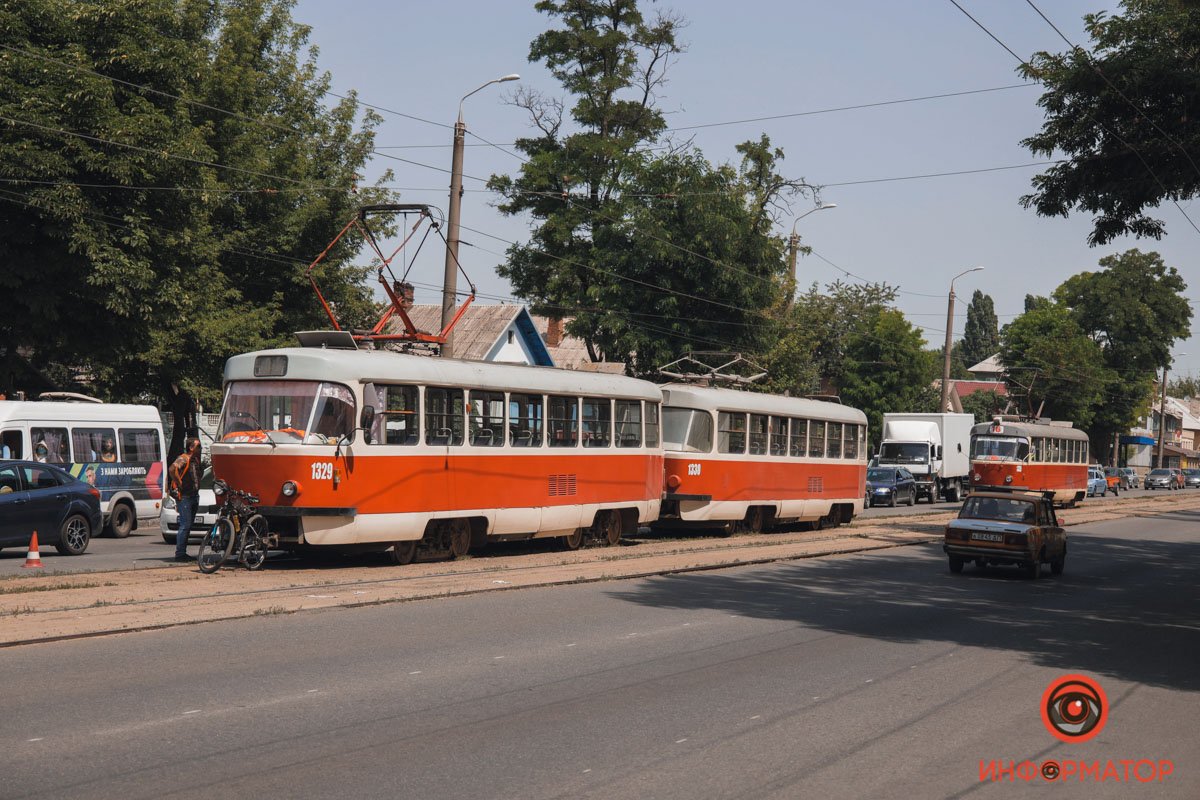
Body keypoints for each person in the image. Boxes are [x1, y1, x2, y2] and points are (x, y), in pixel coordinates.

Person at [168, 437, 203, 562]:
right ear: (191, 448)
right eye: (198, 446)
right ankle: (180, 554)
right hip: (185, 497)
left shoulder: (196, 460)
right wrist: (179, 482)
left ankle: (183, 552)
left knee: (188, 525)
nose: (200, 448)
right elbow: (172, 469)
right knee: (185, 525)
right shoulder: (184, 458)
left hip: (193, 496)